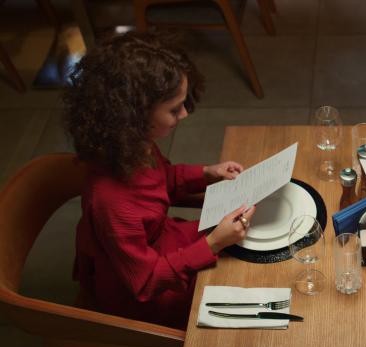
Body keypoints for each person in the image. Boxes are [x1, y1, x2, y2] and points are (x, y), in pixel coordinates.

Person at [63, 32, 255, 329]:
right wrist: (214, 243)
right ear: (134, 115)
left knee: (253, 250)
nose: (186, 113)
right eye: (174, 108)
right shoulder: (112, 204)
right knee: (245, 285)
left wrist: (206, 173)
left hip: (163, 246)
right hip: (145, 290)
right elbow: (146, 282)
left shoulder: (131, 145)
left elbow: (160, 179)